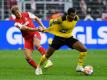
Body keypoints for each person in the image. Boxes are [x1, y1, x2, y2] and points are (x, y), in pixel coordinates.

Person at [36, 8, 87, 75]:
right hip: (59, 38)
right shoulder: (61, 19)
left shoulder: (76, 18)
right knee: (48, 54)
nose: (73, 17)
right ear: (68, 15)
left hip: (69, 38)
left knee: (83, 49)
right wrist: (46, 29)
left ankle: (79, 67)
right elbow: (51, 21)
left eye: (74, 15)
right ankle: (38, 67)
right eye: (71, 15)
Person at [10, 5, 53, 73]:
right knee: (27, 57)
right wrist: (37, 28)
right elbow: (26, 28)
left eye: (18, 11)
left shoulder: (27, 14)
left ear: (19, 10)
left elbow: (36, 18)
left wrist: (43, 27)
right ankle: (38, 68)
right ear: (14, 14)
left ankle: (49, 61)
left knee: (36, 44)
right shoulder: (16, 23)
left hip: (34, 34)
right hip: (27, 39)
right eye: (16, 13)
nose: (18, 13)